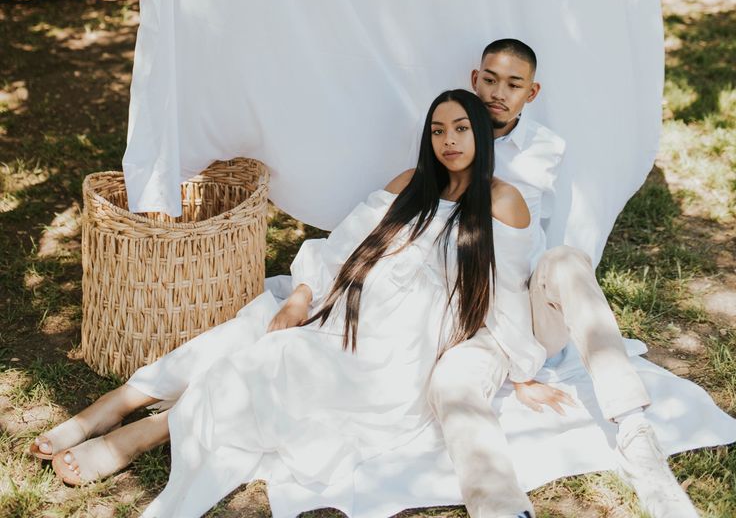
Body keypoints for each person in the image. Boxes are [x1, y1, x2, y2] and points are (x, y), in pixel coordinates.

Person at [31, 89, 543, 518]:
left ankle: (148, 431)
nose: (448, 141)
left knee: (276, 362)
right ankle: (119, 403)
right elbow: (340, 247)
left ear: (481, 133)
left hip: (401, 348)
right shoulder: (409, 186)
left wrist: (520, 370)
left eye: (461, 129)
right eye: (438, 130)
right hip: (346, 310)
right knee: (252, 330)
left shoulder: (503, 201)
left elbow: (509, 293)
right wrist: (300, 296)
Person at [439, 37, 698, 518]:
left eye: (513, 85)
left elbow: (514, 254)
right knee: (451, 382)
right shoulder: (446, 140)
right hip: (473, 319)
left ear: (531, 94)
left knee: (566, 260)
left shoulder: (542, 150)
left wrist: (524, 363)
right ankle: (501, 506)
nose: (498, 93)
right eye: (490, 80)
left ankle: (636, 437)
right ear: (474, 80)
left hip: (529, 305)